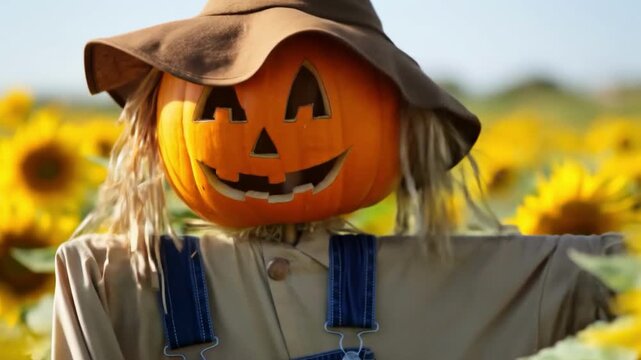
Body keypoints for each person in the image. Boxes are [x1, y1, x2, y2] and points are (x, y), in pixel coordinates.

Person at [52, 1, 622, 359]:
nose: (266, 145)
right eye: (223, 109)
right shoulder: (118, 287)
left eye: (306, 103)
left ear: (395, 122)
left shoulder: (487, 283)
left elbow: (619, 278)